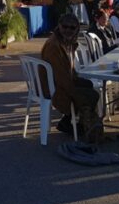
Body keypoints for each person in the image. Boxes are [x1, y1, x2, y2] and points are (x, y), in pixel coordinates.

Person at [41, 13, 102, 142]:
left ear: (77, 29)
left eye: (72, 28)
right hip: (54, 86)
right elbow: (61, 78)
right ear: (59, 26)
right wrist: (76, 92)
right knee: (91, 95)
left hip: (60, 80)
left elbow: (69, 72)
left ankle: (67, 121)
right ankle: (82, 126)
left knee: (88, 85)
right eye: (65, 26)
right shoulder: (54, 46)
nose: (68, 30)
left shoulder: (67, 42)